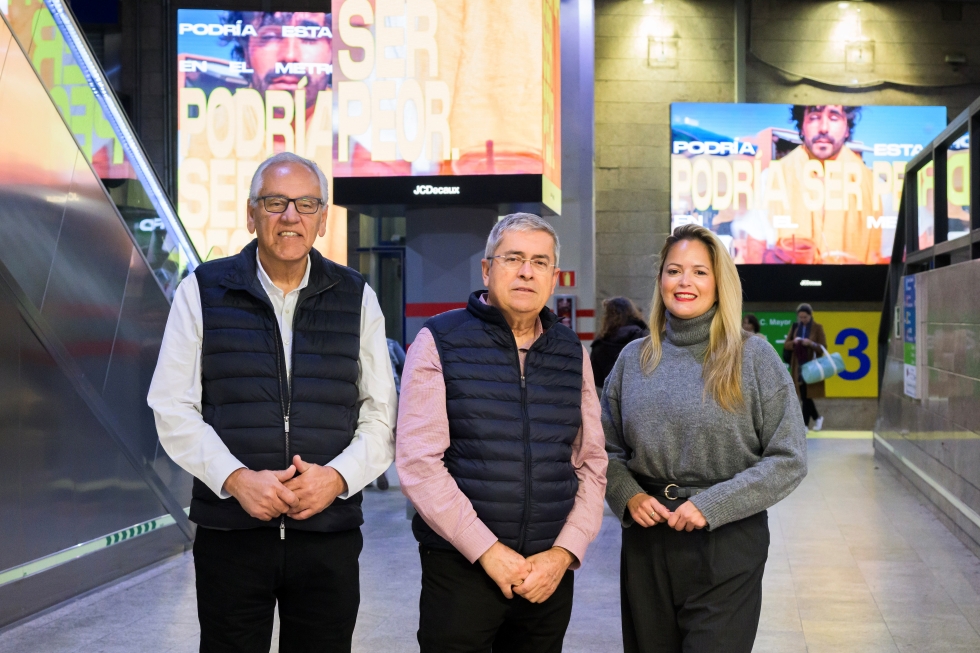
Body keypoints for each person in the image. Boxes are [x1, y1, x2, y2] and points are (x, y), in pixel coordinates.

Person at [148, 152, 396, 652]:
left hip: (327, 534)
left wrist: (338, 478)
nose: (290, 217)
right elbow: (171, 406)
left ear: (322, 219)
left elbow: (381, 415)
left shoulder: (357, 296)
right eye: (275, 202)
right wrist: (235, 479)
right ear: (250, 213)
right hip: (232, 534)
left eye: (306, 204)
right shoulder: (202, 291)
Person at [396, 213, 608, 653]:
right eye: (513, 258)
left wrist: (564, 553)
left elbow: (591, 462)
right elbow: (419, 464)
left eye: (540, 262)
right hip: (462, 569)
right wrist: (488, 551)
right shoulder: (439, 340)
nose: (527, 271)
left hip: (546, 576)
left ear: (553, 277)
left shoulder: (571, 351)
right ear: (487, 269)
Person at [602, 224, 808, 653]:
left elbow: (788, 457)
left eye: (699, 272)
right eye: (674, 270)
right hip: (648, 541)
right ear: (661, 280)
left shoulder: (753, 357)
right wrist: (626, 493)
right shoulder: (632, 359)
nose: (684, 282)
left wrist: (711, 505)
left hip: (727, 542)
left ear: (719, 282)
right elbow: (605, 449)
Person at [777, 105, 882, 264]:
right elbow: (753, 250)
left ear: (847, 128)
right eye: (814, 117)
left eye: (834, 118)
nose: (824, 128)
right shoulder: (770, 179)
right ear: (802, 126)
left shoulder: (877, 187)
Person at [783, 303, 827, 431]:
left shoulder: (817, 328)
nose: (803, 320)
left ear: (810, 316)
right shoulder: (795, 327)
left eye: (805, 317)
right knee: (803, 394)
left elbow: (823, 347)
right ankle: (816, 418)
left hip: (811, 364)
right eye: (800, 317)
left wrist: (811, 343)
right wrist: (794, 342)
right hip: (798, 365)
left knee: (807, 394)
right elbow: (786, 345)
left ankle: (805, 424)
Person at [590, 297, 649, 391]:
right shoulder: (643, 337)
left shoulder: (599, 344)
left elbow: (597, 380)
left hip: (611, 399)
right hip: (640, 396)